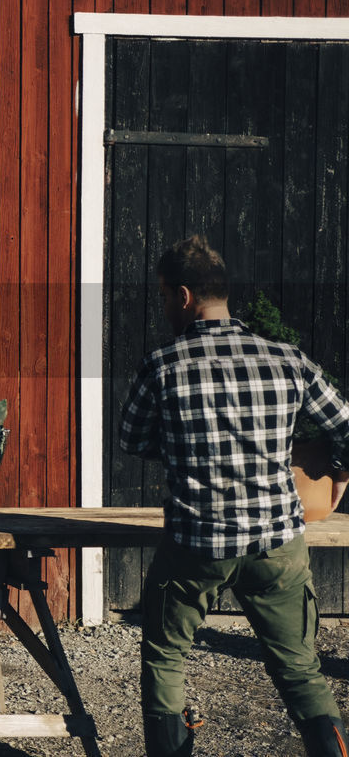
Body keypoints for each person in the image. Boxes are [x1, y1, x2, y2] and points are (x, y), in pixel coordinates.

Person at [118, 235, 349, 757]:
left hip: (197, 543)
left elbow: (132, 439)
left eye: (162, 298)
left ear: (183, 296)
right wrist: (337, 474)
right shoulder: (288, 360)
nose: (163, 309)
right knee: (300, 669)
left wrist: (185, 445)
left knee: (166, 657)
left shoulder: (162, 365)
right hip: (278, 544)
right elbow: (347, 428)